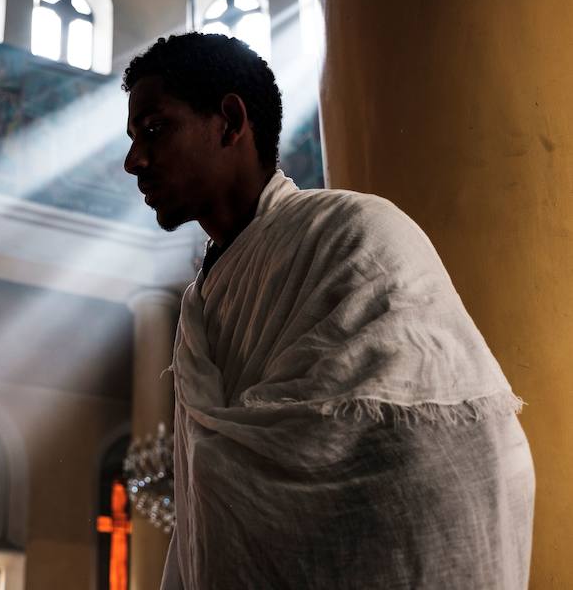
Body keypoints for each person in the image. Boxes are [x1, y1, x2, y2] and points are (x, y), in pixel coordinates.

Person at [122, 32, 535, 590]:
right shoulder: (203, 295)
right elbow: (206, 509)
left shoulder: (354, 232)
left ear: (229, 120)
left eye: (154, 130)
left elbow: (443, 449)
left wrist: (242, 481)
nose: (133, 161)